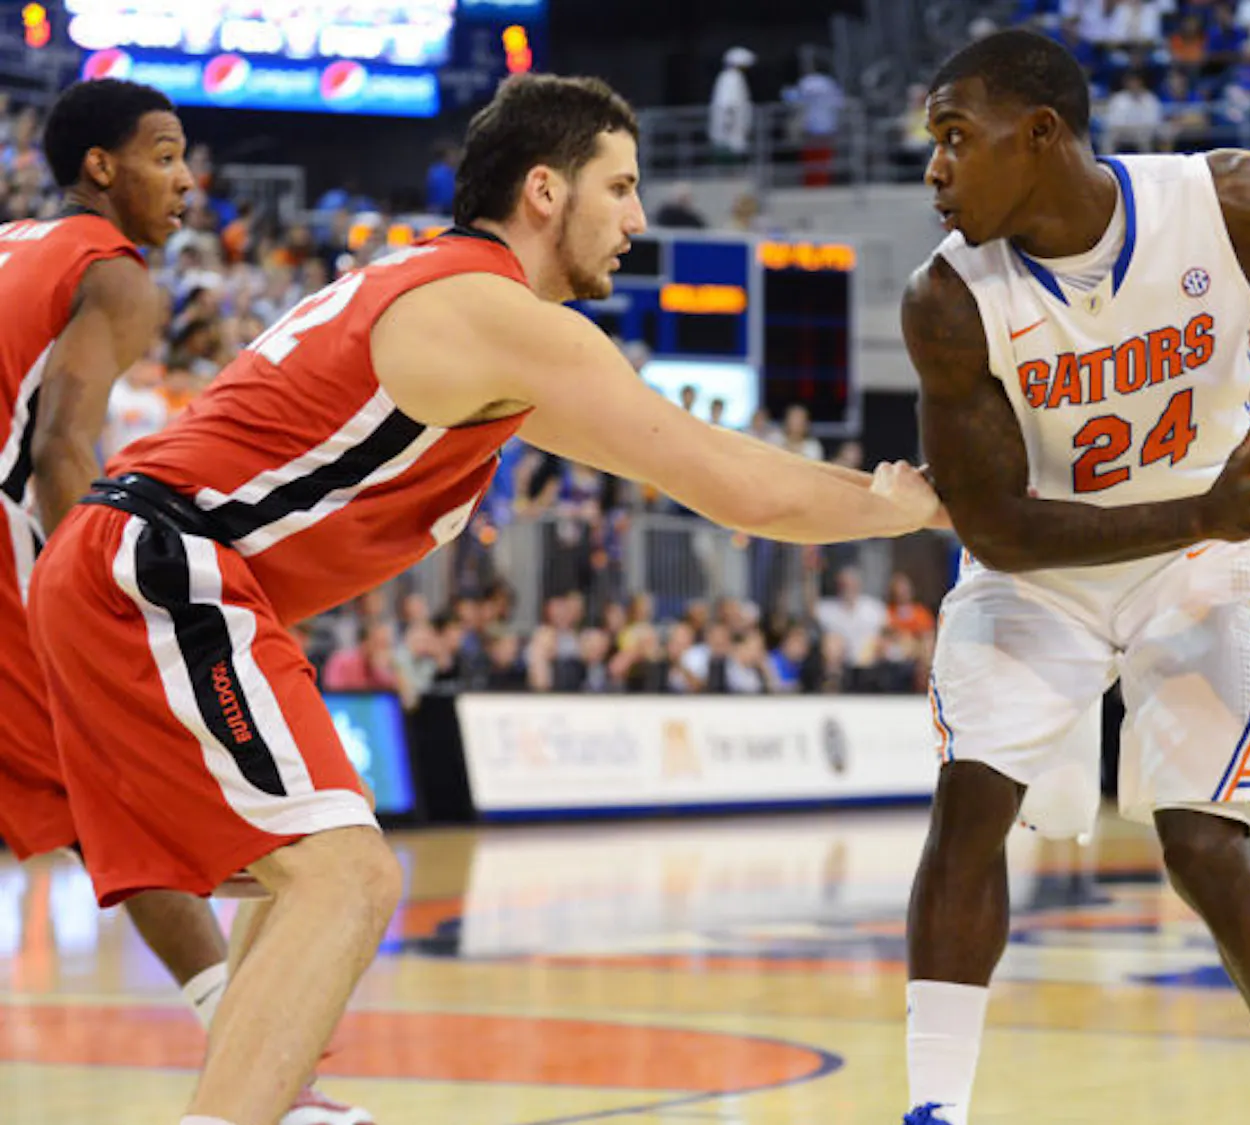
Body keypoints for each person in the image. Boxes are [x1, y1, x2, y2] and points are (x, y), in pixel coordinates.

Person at [26, 72, 940, 1125]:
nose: (639, 219)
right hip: (157, 566)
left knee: (312, 871)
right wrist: (902, 508)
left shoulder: (437, 295)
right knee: (347, 877)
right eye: (622, 187)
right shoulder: (496, 313)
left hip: (136, 565)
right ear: (545, 192)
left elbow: (698, 453)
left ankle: (273, 1103)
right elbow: (733, 486)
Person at [899, 30, 1250, 1125]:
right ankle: (934, 1112)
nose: (935, 169)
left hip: (1204, 552)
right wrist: (1207, 506)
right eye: (932, 144)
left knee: (1203, 849)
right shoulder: (947, 301)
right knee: (970, 805)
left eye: (957, 137)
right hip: (1049, 559)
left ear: (1040, 134)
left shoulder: (1224, 202)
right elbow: (997, 528)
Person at [0, 79, 372, 1124]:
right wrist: (99, 593)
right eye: (163, 154)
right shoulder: (111, 272)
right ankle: (271, 1082)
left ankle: (268, 1072)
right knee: (109, 798)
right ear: (100, 168)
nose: (186, 179)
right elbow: (64, 450)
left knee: (86, 810)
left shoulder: (13, 242)